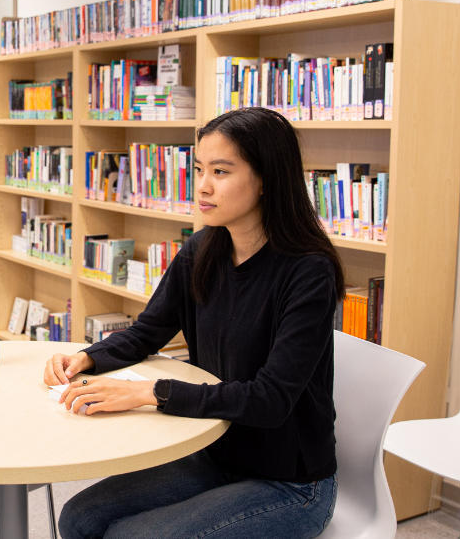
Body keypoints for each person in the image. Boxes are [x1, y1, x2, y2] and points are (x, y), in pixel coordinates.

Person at [46, 108, 341, 539]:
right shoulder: (202, 250)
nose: (202, 185)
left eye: (220, 171)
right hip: (214, 454)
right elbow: (148, 331)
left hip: (289, 482)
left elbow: (271, 399)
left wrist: (150, 392)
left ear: (266, 179)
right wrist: (86, 358)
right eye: (199, 169)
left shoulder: (308, 271)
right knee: (79, 517)